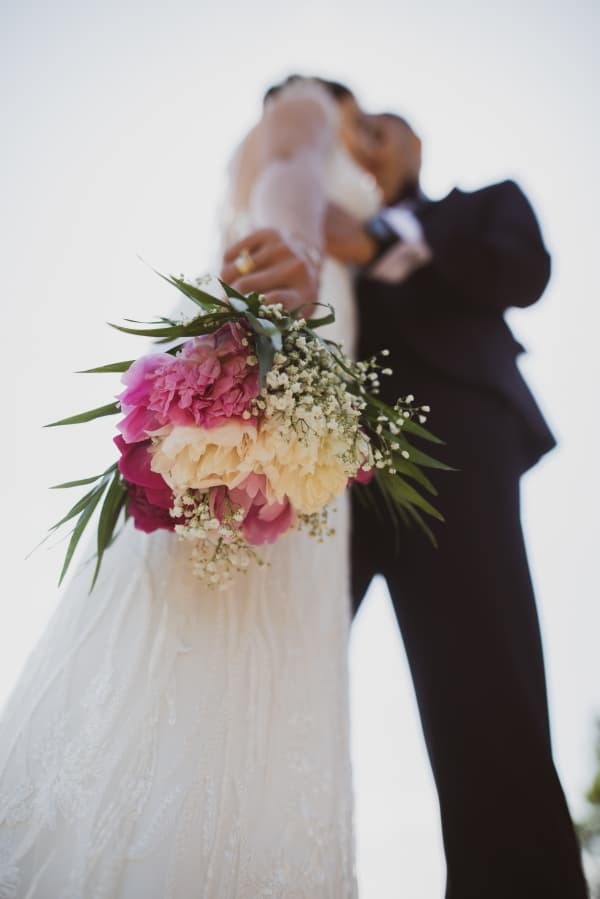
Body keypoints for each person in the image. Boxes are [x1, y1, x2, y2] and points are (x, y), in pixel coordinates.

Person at [0, 77, 379, 897]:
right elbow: (290, 165)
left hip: (282, 371)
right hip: (280, 347)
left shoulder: (274, 178)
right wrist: (298, 265)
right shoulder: (311, 104)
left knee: (211, 636)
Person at [238, 93, 590, 898]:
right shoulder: (311, 214)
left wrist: (378, 241)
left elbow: (523, 271)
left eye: (381, 130)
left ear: (418, 143)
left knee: (487, 696)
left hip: (455, 449)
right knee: (265, 666)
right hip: (321, 467)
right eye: (355, 134)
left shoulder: (483, 207)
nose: (367, 143)